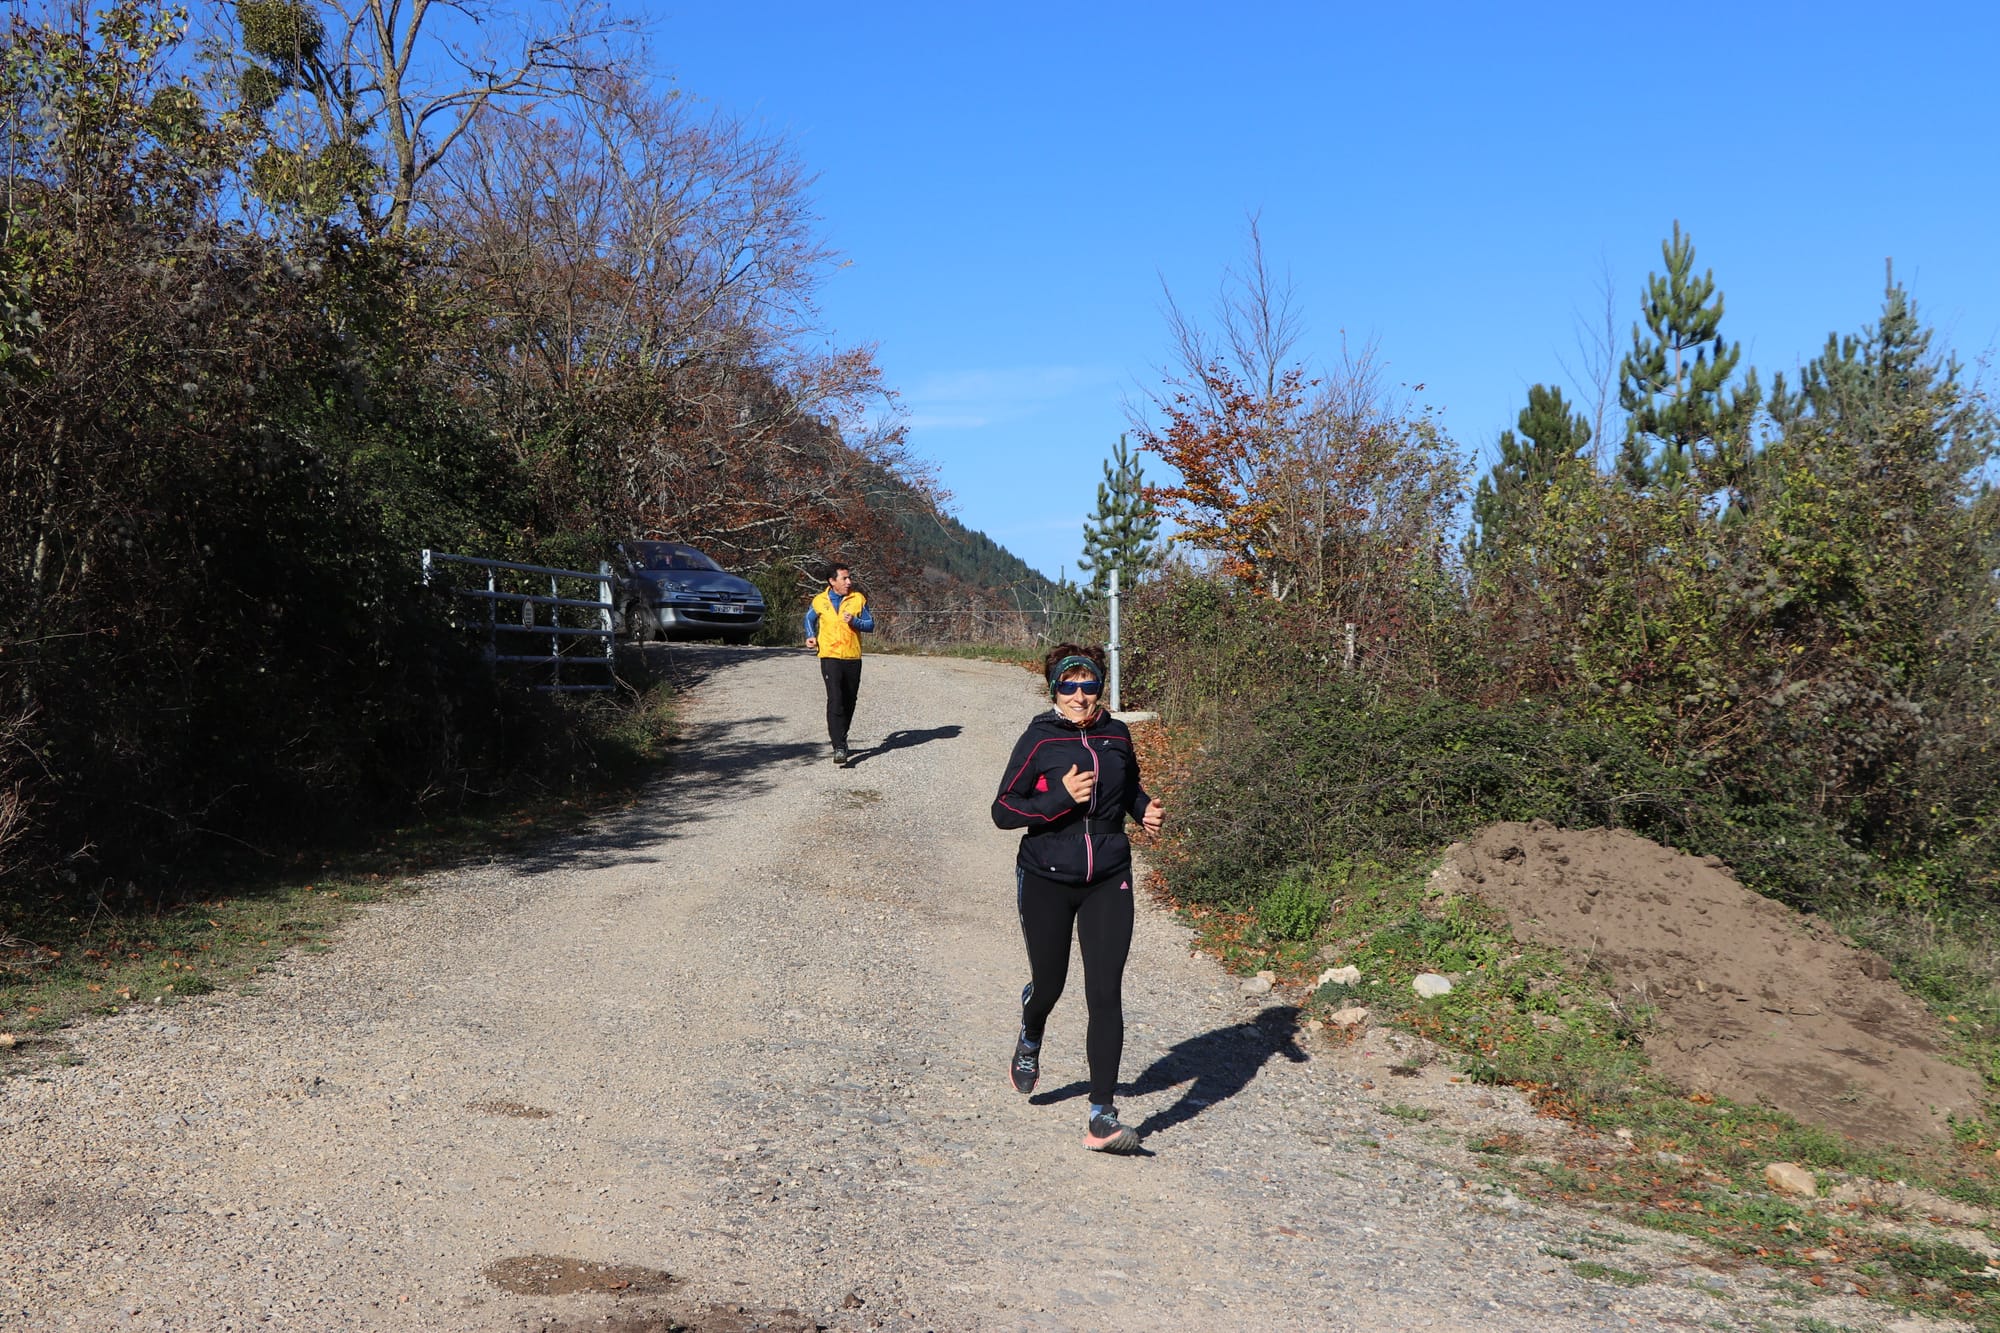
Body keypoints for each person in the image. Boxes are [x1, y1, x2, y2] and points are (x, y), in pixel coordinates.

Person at [991, 643, 1166, 1153]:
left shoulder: (1117, 734)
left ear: (1099, 688)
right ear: (1054, 690)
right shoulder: (1039, 738)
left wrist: (1142, 810)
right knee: (1050, 984)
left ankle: (1101, 1116)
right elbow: (1004, 810)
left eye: (1088, 685)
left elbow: (1127, 787)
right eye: (1068, 686)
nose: (1079, 695)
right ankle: (1031, 1029)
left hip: (1109, 876)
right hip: (1045, 875)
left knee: (1105, 991)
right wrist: (1058, 799)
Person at [803, 562, 874, 765]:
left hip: (852, 657)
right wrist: (810, 636)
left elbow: (870, 625)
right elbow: (808, 619)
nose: (849, 582)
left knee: (849, 700)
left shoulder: (858, 599)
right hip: (829, 655)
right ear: (832, 581)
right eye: (844, 578)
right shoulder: (820, 600)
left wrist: (855, 622)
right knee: (835, 698)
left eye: (849, 578)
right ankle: (839, 746)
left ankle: (842, 736)